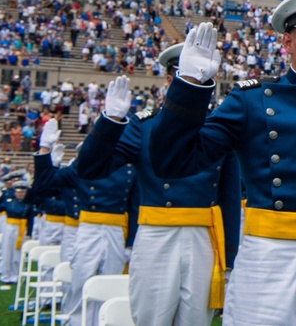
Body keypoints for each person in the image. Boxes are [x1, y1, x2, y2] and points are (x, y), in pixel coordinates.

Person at [149, 0, 296, 326]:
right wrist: (189, 86)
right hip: (266, 254)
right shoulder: (251, 100)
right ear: (287, 43)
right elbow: (172, 161)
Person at [77, 50, 242, 326]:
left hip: (205, 236)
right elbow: (91, 168)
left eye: (206, 77)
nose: (200, 83)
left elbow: (228, 193)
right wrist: (111, 122)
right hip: (156, 233)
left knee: (196, 319)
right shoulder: (144, 125)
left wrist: (230, 255)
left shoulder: (217, 125)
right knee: (152, 317)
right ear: (170, 79)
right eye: (191, 75)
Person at [33, 119, 138, 326]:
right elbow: (44, 185)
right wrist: (45, 149)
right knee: (80, 282)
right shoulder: (83, 167)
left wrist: (130, 242)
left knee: (110, 285)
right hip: (88, 228)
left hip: (117, 230)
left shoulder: (129, 168)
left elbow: (135, 206)